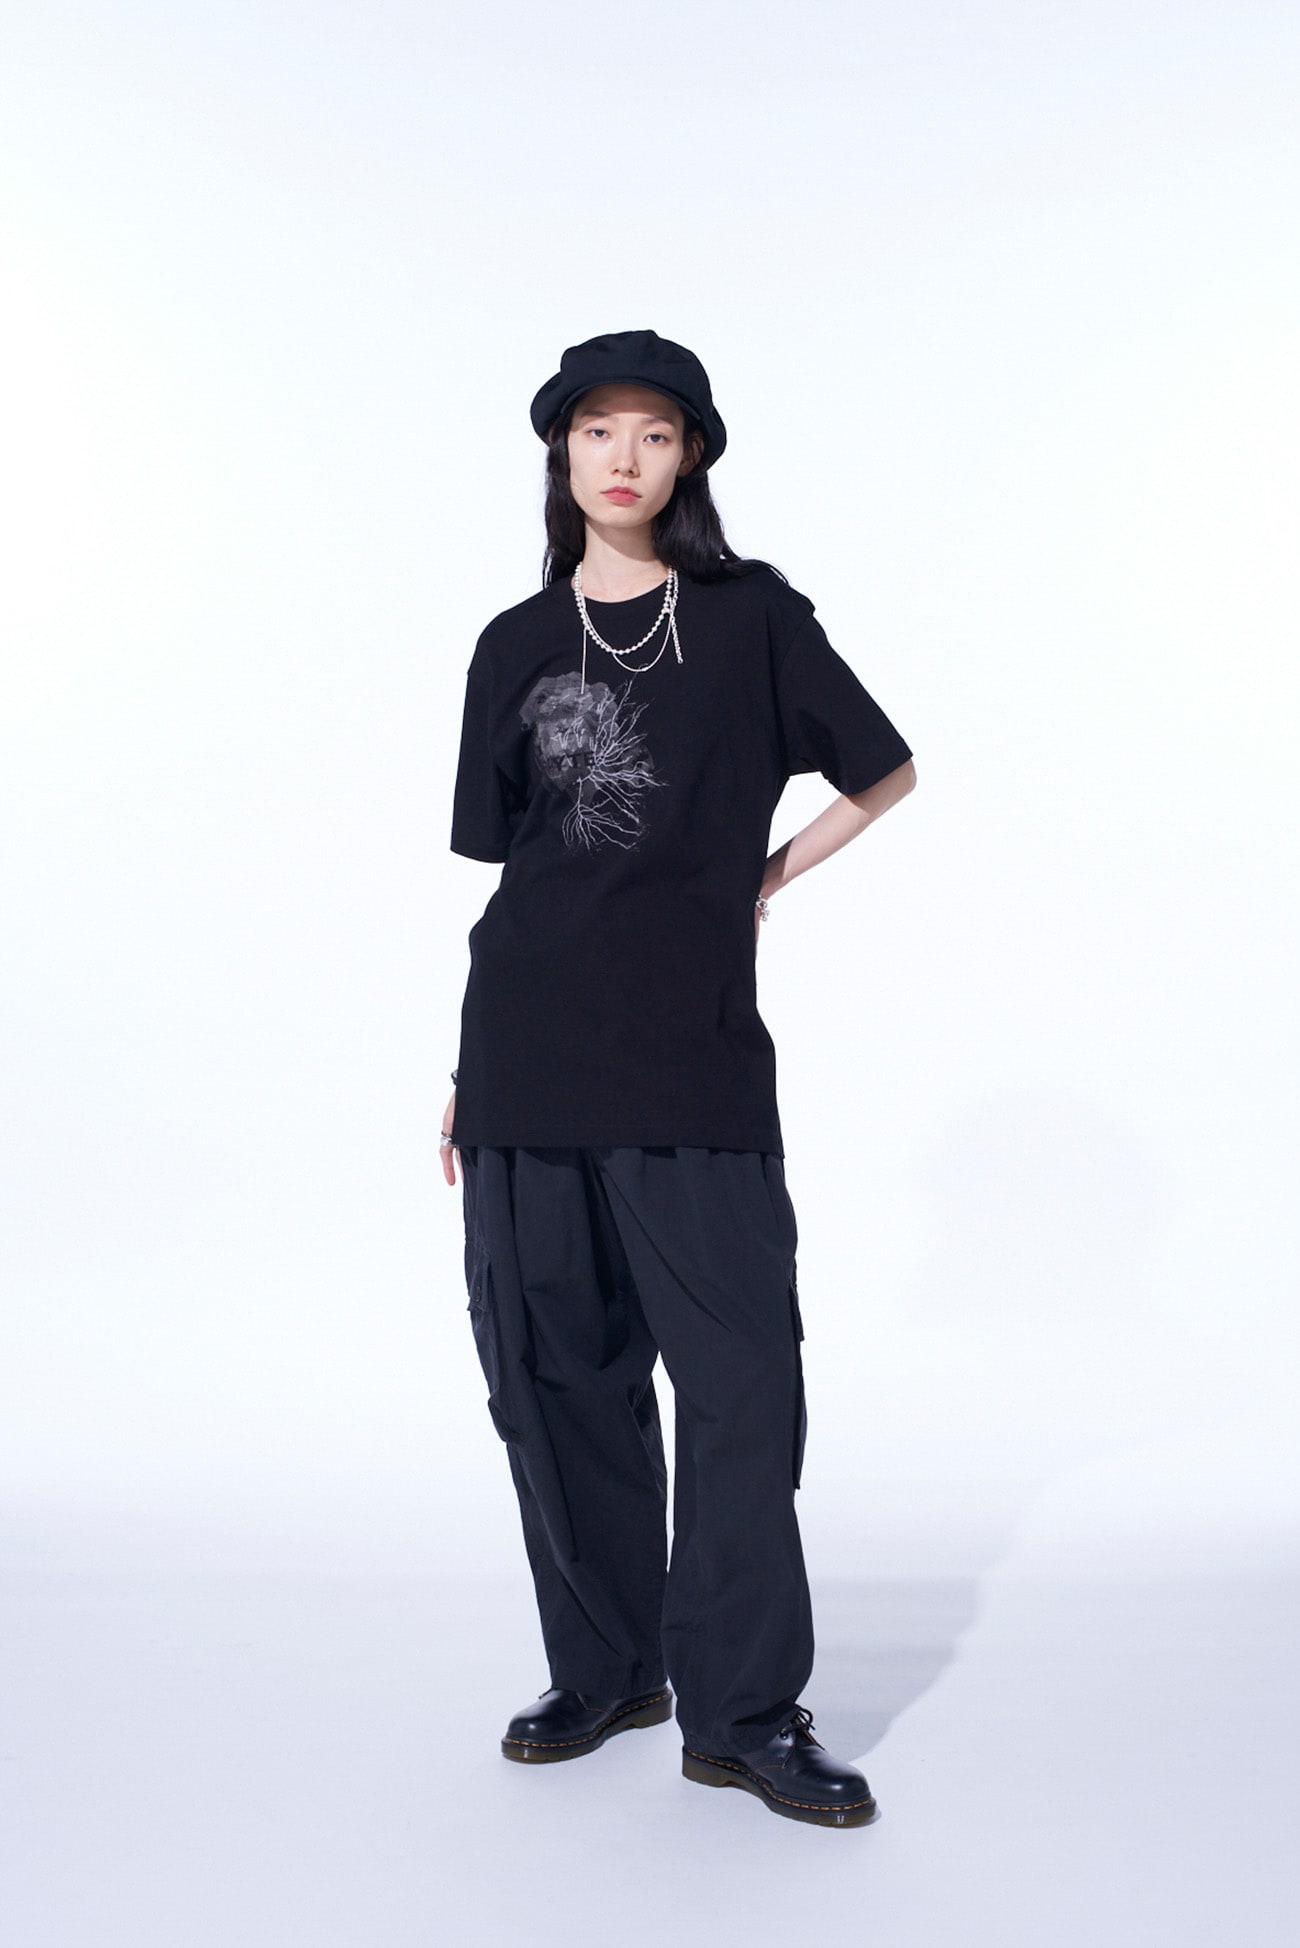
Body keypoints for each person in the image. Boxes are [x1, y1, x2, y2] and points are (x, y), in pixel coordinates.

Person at [440, 329, 916, 1830]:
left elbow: (884, 768)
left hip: (692, 1054)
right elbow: (519, 869)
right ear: (562, 452)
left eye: (654, 432)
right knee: (552, 1378)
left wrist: (760, 876)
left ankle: (747, 1712)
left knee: (739, 1388)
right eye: (598, 430)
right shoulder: (513, 642)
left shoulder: (752, 616)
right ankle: (605, 1670)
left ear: (691, 454)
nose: (624, 457)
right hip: (525, 1054)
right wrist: (464, 1071)